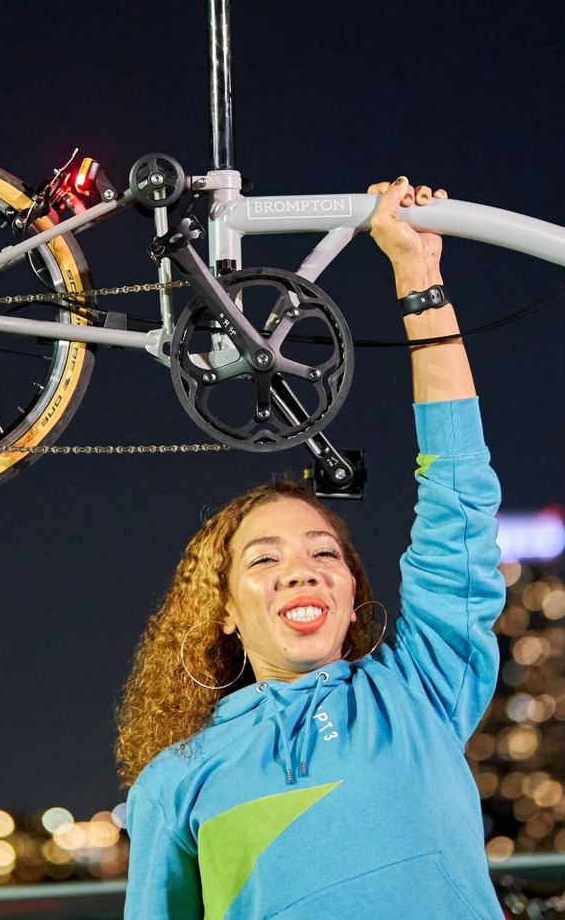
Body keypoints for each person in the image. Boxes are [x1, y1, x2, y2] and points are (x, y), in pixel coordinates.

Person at [117, 177, 508, 919]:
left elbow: (458, 486)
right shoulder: (173, 782)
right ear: (223, 609)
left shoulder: (420, 689)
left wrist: (418, 274)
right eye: (263, 559)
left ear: (352, 590)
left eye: (325, 553)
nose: (301, 566)